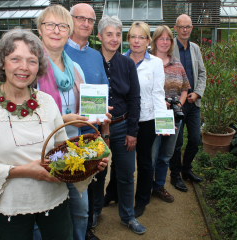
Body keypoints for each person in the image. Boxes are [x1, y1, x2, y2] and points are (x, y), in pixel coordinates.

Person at [0, 28, 108, 240]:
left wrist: (88, 161)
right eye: (15, 59)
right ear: (2, 62)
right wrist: (22, 170)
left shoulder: (46, 102)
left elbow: (62, 150)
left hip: (53, 199)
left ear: (39, 67)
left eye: (32, 61)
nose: (23, 67)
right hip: (11, 206)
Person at [35, 5, 111, 240]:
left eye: (63, 26)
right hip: (46, 152)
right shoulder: (32, 68)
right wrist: (65, 119)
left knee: (80, 209)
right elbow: (27, 115)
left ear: (69, 32)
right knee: (45, 213)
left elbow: (84, 105)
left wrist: (96, 113)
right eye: (50, 25)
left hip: (76, 149)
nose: (56, 30)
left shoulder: (75, 68)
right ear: (40, 30)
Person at [93, 15, 145, 235]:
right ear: (100, 37)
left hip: (122, 126)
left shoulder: (127, 64)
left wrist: (132, 131)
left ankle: (128, 216)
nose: (114, 39)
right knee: (97, 173)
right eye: (109, 34)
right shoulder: (91, 61)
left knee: (125, 173)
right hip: (96, 128)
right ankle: (94, 212)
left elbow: (134, 98)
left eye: (117, 34)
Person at [64, 3, 109, 240]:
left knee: (93, 179)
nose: (86, 23)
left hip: (90, 132)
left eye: (90, 20)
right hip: (63, 135)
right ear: (70, 20)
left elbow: (103, 93)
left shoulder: (95, 56)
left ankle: (86, 229)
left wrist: (105, 130)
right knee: (67, 187)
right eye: (81, 18)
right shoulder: (58, 51)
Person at [124, 21, 166, 218]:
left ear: (148, 41)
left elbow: (158, 93)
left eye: (141, 37)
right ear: (128, 39)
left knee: (145, 162)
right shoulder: (120, 60)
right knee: (121, 162)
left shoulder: (156, 63)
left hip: (147, 119)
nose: (137, 41)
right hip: (123, 120)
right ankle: (114, 194)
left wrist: (162, 123)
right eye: (133, 36)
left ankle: (141, 200)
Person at [151, 25, 191, 202]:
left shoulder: (176, 63)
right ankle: (146, 187)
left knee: (166, 154)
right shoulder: (149, 62)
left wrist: (178, 106)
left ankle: (159, 186)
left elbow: (184, 88)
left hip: (173, 116)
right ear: (155, 41)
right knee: (151, 154)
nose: (165, 42)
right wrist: (161, 104)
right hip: (153, 117)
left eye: (168, 39)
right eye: (161, 38)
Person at [170, 14, 206, 192]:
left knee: (195, 139)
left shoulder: (195, 49)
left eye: (188, 26)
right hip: (176, 103)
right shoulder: (169, 48)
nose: (185, 29)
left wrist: (198, 93)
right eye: (181, 26)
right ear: (175, 28)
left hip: (193, 103)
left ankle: (186, 169)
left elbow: (202, 73)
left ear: (191, 28)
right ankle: (175, 175)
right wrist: (177, 99)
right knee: (176, 142)